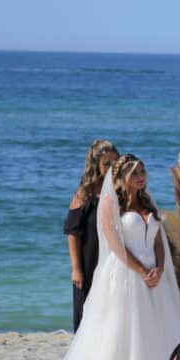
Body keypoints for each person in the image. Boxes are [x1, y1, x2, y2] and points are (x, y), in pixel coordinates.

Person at [0, 154, 180, 360]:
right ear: (122, 178)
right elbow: (114, 245)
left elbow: (157, 241)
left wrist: (160, 268)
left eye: (143, 170)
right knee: (123, 331)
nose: (142, 176)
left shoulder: (148, 202)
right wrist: (142, 271)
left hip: (154, 275)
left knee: (154, 328)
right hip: (126, 274)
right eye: (135, 173)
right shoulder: (110, 204)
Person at [64, 139, 119, 332]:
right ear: (96, 165)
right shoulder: (85, 193)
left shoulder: (120, 191)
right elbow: (72, 232)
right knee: (86, 313)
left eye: (115, 162)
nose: (112, 168)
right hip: (89, 262)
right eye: (106, 164)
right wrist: (76, 268)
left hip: (113, 261)